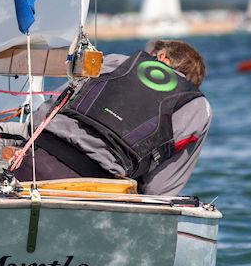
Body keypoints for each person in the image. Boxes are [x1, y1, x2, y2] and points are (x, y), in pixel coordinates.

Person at [13, 40, 211, 196]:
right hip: (92, 186)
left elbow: (44, 115)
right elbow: (158, 190)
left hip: (33, 161)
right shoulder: (196, 106)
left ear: (161, 57)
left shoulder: (118, 61)